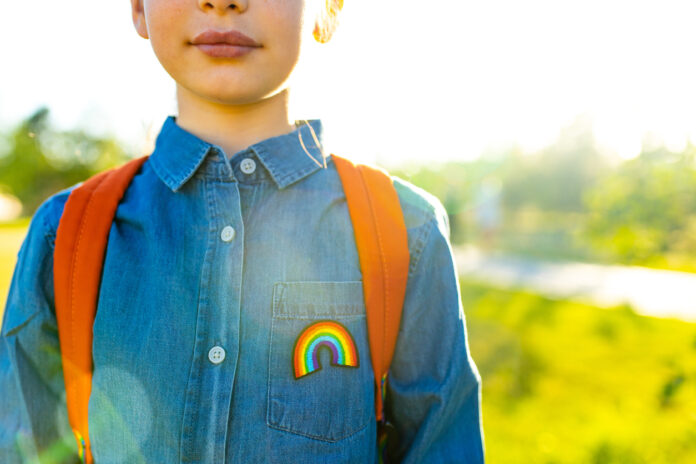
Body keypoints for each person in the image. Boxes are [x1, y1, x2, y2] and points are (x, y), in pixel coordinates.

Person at [0, 0, 485, 462]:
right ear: (136, 7)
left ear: (327, 9)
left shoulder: (404, 231)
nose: (223, 1)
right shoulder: (64, 235)